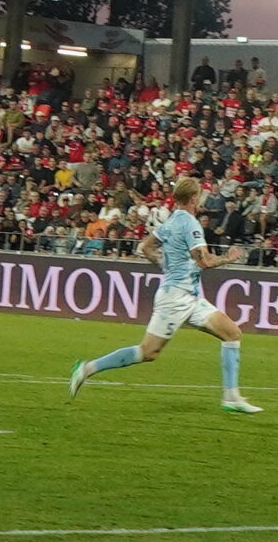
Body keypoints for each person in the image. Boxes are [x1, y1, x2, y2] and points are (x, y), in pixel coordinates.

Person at [67, 177, 263, 414]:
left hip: (189, 296)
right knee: (148, 352)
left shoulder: (170, 221)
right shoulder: (190, 224)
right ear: (193, 198)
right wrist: (228, 258)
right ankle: (87, 368)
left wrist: (166, 267)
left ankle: (231, 397)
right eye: (198, 194)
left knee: (232, 333)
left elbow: (146, 247)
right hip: (175, 299)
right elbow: (204, 261)